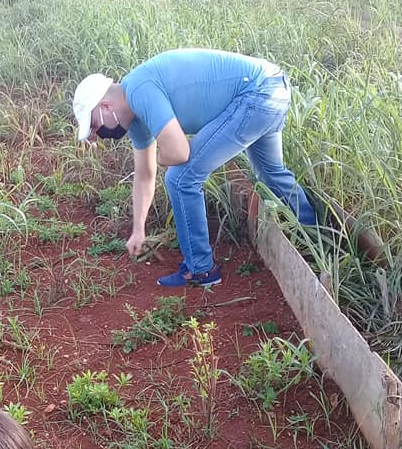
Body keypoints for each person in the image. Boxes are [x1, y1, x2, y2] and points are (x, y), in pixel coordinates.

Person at [73, 49, 316, 288]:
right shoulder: (135, 116)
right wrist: (138, 230)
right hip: (273, 87)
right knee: (270, 173)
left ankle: (201, 270)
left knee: (180, 179)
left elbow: (179, 152)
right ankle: (316, 238)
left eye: (94, 126)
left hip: (257, 94)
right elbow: (144, 175)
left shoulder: (138, 89)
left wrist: (161, 158)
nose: (98, 136)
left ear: (105, 106)